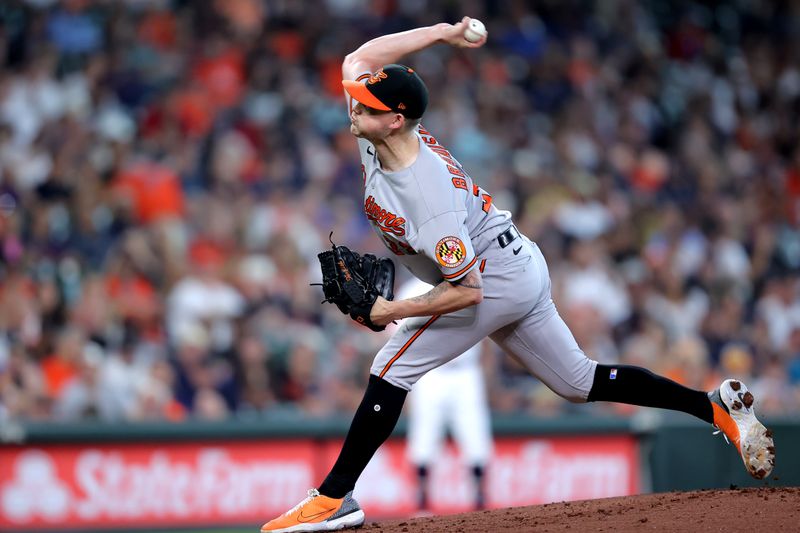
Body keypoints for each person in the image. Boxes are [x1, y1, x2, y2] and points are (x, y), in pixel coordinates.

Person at [260, 16, 775, 533]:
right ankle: (714, 409)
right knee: (577, 381)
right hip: (517, 261)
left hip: (490, 277)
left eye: (366, 105)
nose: (352, 105)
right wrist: (440, 32)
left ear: (396, 119)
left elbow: (468, 291)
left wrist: (390, 311)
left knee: (392, 367)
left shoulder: (428, 194)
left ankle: (334, 497)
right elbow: (360, 60)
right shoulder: (383, 132)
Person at [398, 278, 492, 513]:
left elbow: (490, 331)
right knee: (424, 437)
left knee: (475, 436)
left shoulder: (471, 279)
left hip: (466, 371)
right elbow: (395, 337)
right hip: (430, 373)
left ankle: (480, 500)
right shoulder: (413, 288)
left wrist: (488, 375)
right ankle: (422, 502)